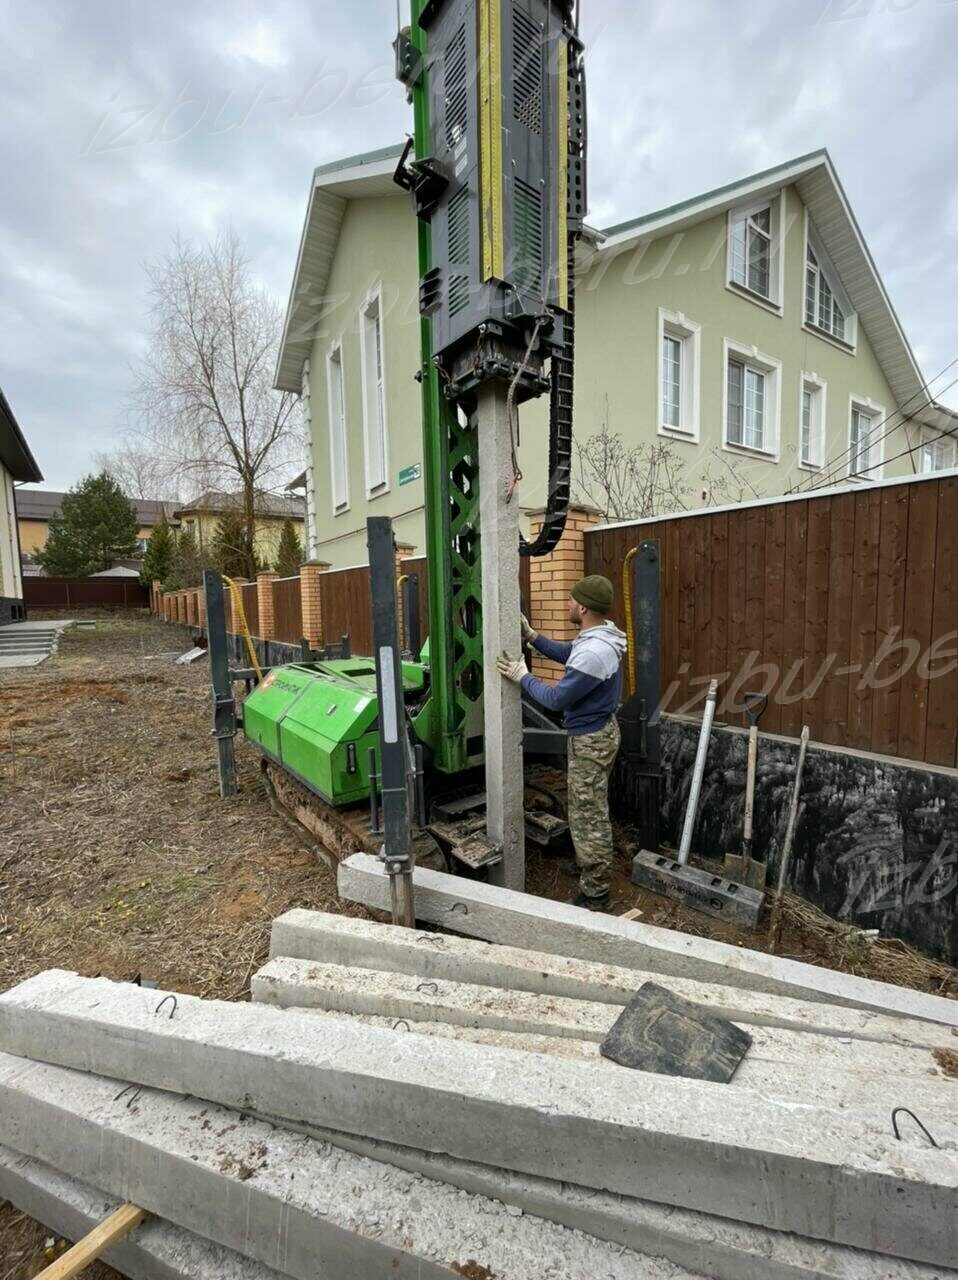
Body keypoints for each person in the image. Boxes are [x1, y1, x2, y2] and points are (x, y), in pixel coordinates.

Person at [497, 575, 626, 911]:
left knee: (589, 815)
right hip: (598, 733)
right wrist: (532, 636)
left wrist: (522, 676)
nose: (567, 604)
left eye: (570, 600)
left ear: (582, 607)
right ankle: (588, 866)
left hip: (591, 741)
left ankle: (596, 892)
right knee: (587, 807)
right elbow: (568, 652)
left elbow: (555, 700)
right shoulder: (598, 635)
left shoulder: (595, 652)